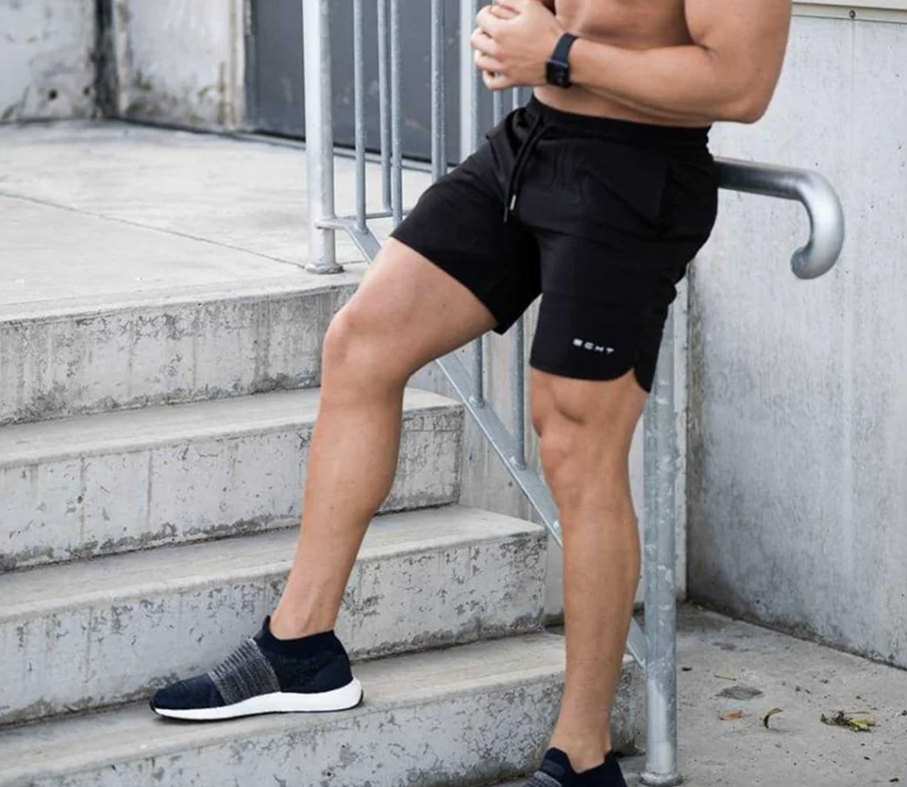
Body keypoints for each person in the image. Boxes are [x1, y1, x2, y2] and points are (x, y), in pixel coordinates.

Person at [150, 0, 792, 784]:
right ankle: (300, 647)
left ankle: (582, 755)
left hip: (636, 175)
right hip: (533, 145)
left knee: (573, 441)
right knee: (361, 345)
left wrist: (558, 54)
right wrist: (528, 43)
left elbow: (739, 84)